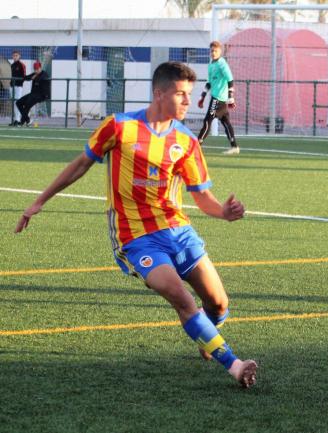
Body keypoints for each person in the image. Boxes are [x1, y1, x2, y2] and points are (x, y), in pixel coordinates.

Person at [15, 61, 258, 388]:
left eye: (189, 95)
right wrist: (40, 200)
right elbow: (80, 165)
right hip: (136, 237)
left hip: (179, 232)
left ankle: (208, 338)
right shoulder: (119, 127)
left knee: (218, 303)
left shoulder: (187, 142)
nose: (188, 101)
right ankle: (234, 364)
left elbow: (202, 198)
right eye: (181, 94)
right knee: (182, 298)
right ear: (159, 93)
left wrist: (224, 212)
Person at [197, 40, 239, 155]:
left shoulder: (222, 63)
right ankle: (234, 146)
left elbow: (230, 79)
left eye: (215, 51)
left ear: (220, 51)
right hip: (217, 98)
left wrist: (231, 97)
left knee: (207, 121)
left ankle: (197, 145)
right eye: (212, 51)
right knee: (226, 122)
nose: (213, 53)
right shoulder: (211, 64)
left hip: (218, 99)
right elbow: (209, 82)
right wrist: (202, 97)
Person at [16, 60, 50, 126]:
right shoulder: (34, 74)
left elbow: (42, 79)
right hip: (33, 94)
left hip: (41, 95)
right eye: (35, 69)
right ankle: (27, 120)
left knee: (27, 105)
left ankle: (22, 122)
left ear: (40, 68)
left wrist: (36, 78)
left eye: (37, 69)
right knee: (18, 102)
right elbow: (26, 78)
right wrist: (31, 77)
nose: (36, 70)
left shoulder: (44, 74)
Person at [9, 50, 26, 126]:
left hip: (18, 86)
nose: (15, 57)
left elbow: (24, 76)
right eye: (14, 55)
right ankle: (15, 119)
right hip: (12, 86)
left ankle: (18, 120)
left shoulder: (21, 65)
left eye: (16, 55)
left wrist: (19, 84)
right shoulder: (11, 65)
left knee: (17, 102)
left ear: (19, 56)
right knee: (13, 103)